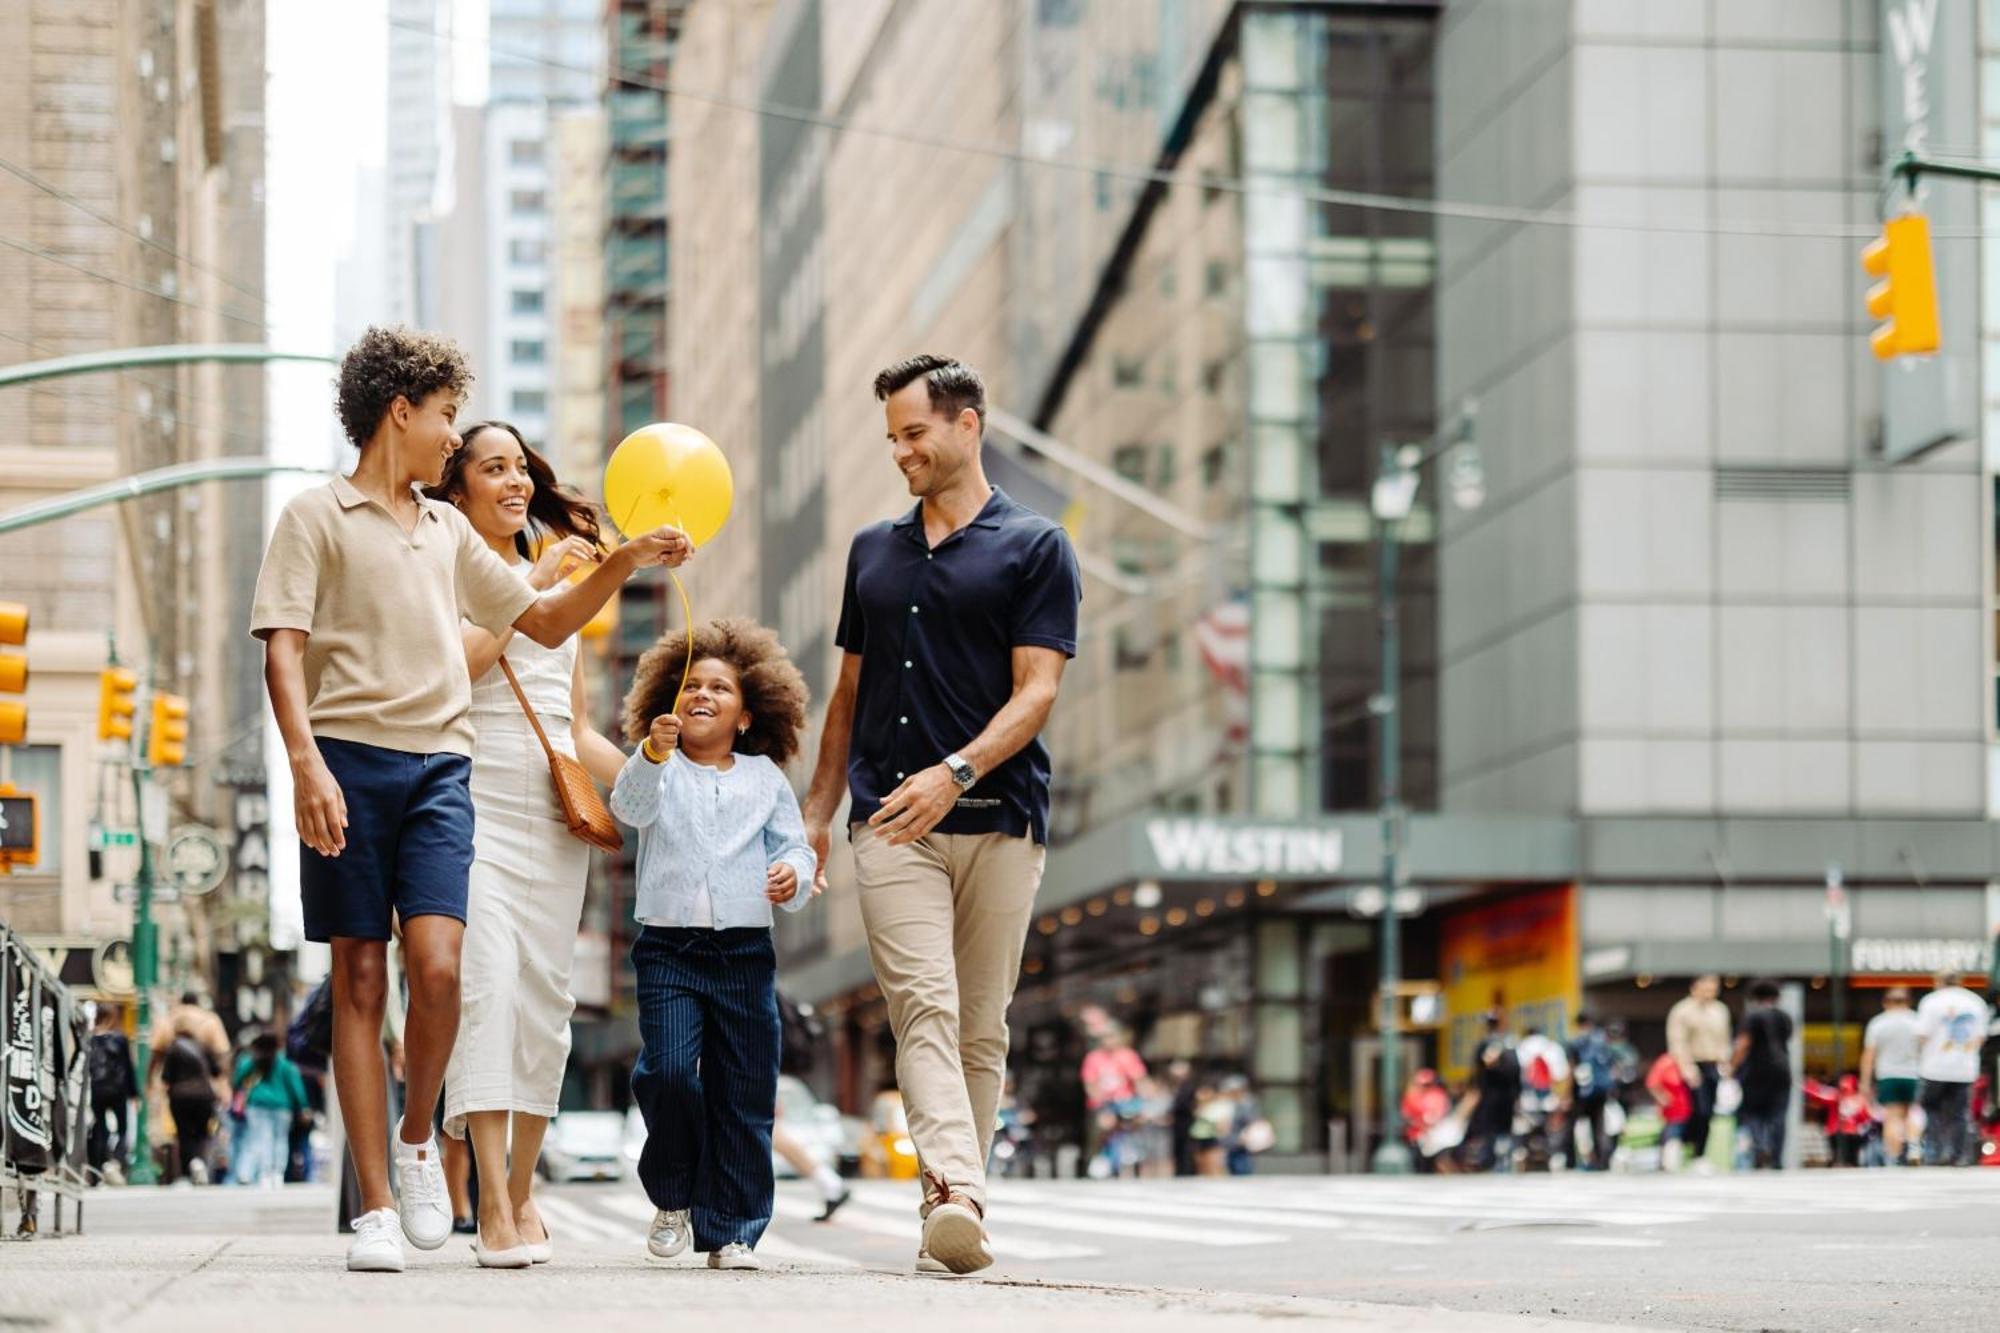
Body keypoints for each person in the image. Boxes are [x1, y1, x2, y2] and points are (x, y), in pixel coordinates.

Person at [250, 326, 690, 1273]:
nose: (451, 438)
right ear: (398, 412)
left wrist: (627, 559)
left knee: (442, 970)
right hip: (348, 761)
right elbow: (283, 649)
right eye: (446, 418)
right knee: (362, 981)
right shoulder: (314, 517)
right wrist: (306, 766)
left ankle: (418, 1138)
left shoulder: (447, 531)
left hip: (439, 770)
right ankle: (376, 1203)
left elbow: (540, 617)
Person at [801, 355, 1081, 1276]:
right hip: (889, 819)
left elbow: (1036, 691)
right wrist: (817, 810)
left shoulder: (1037, 547)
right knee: (922, 1005)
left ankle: (946, 1202)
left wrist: (955, 771)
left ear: (969, 425)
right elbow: (847, 691)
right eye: (891, 437)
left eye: (914, 432)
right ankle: (960, 1193)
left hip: (1000, 815)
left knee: (980, 1023)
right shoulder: (871, 553)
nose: (901, 452)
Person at [424, 420, 631, 1267]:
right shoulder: (443, 569)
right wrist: (525, 592)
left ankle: (523, 1189)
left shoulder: (562, 601)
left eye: (520, 468)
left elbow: (574, 727)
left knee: (545, 1009)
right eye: (492, 468)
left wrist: (656, 778)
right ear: (459, 487)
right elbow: (450, 671)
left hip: (553, 825)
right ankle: (492, 1210)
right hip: (470, 809)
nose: (513, 482)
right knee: (487, 995)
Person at [611, 618, 818, 1273]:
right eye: (690, 685)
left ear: (747, 712)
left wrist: (795, 875)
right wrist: (650, 753)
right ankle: (674, 1194)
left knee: (744, 1094)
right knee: (669, 1074)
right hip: (669, 951)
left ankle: (732, 1231)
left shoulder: (764, 779)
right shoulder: (658, 766)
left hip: (745, 957)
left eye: (719, 687)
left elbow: (794, 845)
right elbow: (629, 808)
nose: (702, 693)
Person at [1915, 970, 1992, 1167]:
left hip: (1934, 1066)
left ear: (1939, 981)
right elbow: (1981, 1036)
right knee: (1960, 1113)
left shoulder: (1930, 1001)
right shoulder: (1975, 1002)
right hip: (1964, 1067)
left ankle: (1934, 1152)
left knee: (1932, 1109)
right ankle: (1958, 1155)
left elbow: (1922, 1035)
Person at [154, 992, 229, 1184]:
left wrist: (153, 1088)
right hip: (204, 1094)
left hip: (179, 1095)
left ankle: (189, 1170)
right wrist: (224, 1089)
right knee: (203, 1132)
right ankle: (200, 1163)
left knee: (184, 1133)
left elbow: (159, 1065)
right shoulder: (210, 1023)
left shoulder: (168, 1021)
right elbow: (220, 1062)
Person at [1665, 974, 1731, 1173]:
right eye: (1706, 988)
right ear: (1694, 987)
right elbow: (1677, 1041)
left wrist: (1725, 1064)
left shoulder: (1720, 1010)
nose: (1709, 992)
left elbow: (1725, 1040)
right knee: (1694, 1110)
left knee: (1708, 1112)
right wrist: (1687, 1069)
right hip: (1691, 1066)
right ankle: (1677, 1142)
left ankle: (1699, 1155)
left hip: (1714, 1066)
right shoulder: (1682, 1011)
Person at [231, 1032, 311, 1187]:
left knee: (260, 1139)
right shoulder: (284, 1064)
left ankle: (264, 1173)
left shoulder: (252, 1061)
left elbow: (237, 1079)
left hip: (257, 1104)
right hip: (282, 1106)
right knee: (280, 1140)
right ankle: (277, 1173)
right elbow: (296, 1086)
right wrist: (303, 1106)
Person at [1732, 978, 1793, 1170]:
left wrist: (1731, 1066)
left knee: (1752, 1113)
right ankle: (1776, 1158)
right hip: (1782, 1071)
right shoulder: (1784, 1017)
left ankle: (1761, 1145)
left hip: (1755, 1072)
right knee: (1778, 1116)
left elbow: (1743, 1043)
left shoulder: (1752, 1017)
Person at [1860, 987, 1922, 1165]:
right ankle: (1914, 1147)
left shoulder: (1878, 1023)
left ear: (1886, 1002)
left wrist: (1865, 1082)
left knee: (1892, 1117)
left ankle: (1893, 1157)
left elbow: (1869, 1054)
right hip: (1913, 1074)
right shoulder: (1916, 1021)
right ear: (1908, 1002)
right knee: (1913, 1113)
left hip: (1888, 1075)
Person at [87, 1004, 136, 1184]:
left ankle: (100, 1168)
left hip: (96, 1089)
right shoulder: (119, 1039)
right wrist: (134, 1093)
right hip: (117, 1090)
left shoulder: (89, 1039)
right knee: (122, 1128)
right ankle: (115, 1161)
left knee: (100, 1129)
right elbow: (128, 1067)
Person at [1465, 1013, 1520, 1172]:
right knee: (1505, 1129)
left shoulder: (1485, 1043)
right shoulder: (1509, 1043)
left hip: (1490, 1094)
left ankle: (1490, 1161)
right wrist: (1517, 1094)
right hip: (1508, 1095)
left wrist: (1473, 1090)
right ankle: (1505, 1160)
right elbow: (1517, 1071)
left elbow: (1476, 1072)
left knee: (1489, 1129)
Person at [1566, 1011, 1616, 1171]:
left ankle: (1573, 1160)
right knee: (1599, 1125)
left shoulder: (1575, 1042)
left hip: (1581, 1090)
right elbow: (1612, 1066)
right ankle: (1602, 1160)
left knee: (1575, 1125)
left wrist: (1566, 1094)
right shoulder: (1603, 1041)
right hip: (1601, 1090)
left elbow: (1571, 1068)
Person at [1644, 1051, 1693, 1172]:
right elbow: (1652, 1083)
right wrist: (1662, 1098)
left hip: (1683, 1112)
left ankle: (1673, 1162)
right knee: (1671, 1136)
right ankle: (1668, 1164)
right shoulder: (1666, 1062)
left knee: (1678, 1137)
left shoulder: (1685, 1064)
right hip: (1672, 1112)